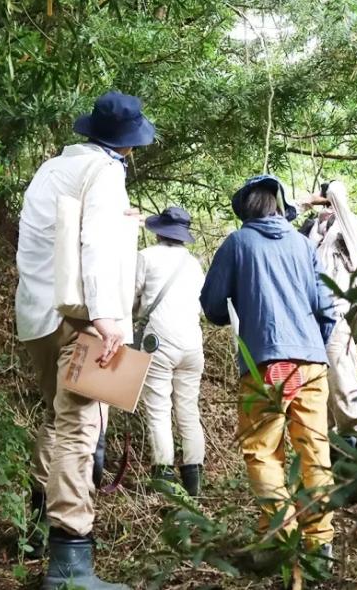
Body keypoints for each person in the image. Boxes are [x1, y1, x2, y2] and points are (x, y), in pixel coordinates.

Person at [15, 91, 155, 590]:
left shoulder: (53, 169)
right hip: (81, 320)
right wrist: (107, 317)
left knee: (57, 420)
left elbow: (53, 237)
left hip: (37, 315)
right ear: (127, 144)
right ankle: (69, 566)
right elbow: (93, 241)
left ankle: (37, 528)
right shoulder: (106, 171)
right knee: (79, 427)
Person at [200, 174, 338, 560]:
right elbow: (327, 308)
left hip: (265, 363)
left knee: (263, 451)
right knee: (315, 450)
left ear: (245, 210)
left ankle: (280, 540)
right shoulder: (302, 243)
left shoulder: (238, 242)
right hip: (311, 362)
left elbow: (212, 305)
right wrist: (311, 347)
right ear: (279, 207)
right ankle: (321, 542)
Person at [134, 206, 207, 496]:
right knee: (188, 410)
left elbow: (131, 295)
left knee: (159, 408)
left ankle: (163, 475)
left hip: (159, 343)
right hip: (192, 345)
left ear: (159, 230)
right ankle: (194, 480)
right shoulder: (194, 264)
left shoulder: (146, 257)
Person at [299, 181, 357, 440]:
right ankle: (339, 464)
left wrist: (326, 195)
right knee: (321, 401)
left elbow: (338, 194)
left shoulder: (350, 231)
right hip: (309, 324)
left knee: (345, 393)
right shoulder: (311, 232)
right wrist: (305, 204)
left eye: (328, 205)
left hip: (338, 319)